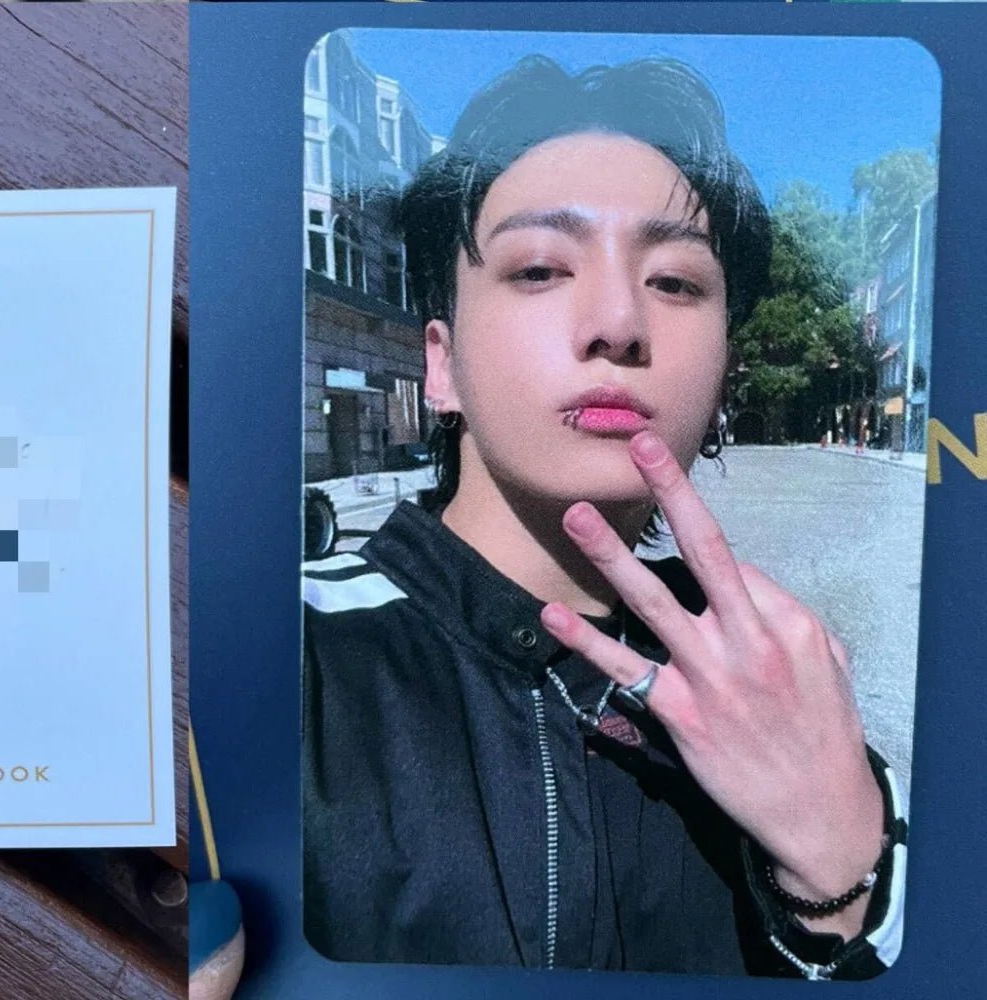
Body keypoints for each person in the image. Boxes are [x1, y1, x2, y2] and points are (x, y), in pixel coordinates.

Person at [302, 55, 906, 979]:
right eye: (541, 268)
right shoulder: (293, 656)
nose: (619, 322)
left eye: (676, 283)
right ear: (442, 365)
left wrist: (844, 868)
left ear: (723, 370)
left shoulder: (782, 683)